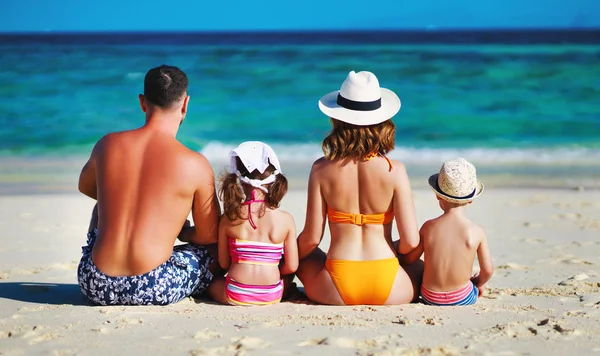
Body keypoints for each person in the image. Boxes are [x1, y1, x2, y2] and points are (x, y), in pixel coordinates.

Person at [77, 65, 221, 305]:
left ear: (143, 102)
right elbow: (208, 234)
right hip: (153, 285)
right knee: (216, 252)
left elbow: (86, 187)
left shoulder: (107, 144)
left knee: (101, 205)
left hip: (95, 282)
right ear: (185, 104)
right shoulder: (195, 164)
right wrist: (179, 229)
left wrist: (121, 200)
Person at [296, 71, 422, 305]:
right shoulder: (395, 170)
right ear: (382, 121)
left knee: (303, 257)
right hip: (390, 285)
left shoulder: (321, 169)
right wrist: (397, 251)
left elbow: (312, 239)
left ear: (337, 120)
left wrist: (286, 261)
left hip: (335, 286)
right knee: (419, 264)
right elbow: (411, 242)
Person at [207, 141, 298, 306]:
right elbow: (292, 267)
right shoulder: (286, 219)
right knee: (286, 275)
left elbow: (224, 264)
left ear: (239, 180)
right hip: (271, 294)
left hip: (236, 293)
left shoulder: (229, 218)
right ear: (273, 179)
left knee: (213, 285)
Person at [407, 157, 493, 306]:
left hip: (429, 296)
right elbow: (488, 271)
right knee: (474, 282)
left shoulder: (428, 227)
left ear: (438, 195)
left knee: (420, 266)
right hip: (462, 297)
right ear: (471, 199)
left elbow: (411, 258)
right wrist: (477, 283)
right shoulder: (477, 231)